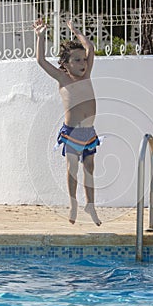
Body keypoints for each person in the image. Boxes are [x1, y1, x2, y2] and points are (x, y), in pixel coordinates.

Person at [33, 18, 101, 226]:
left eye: (83, 60)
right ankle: (73, 203)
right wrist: (41, 36)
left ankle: (90, 204)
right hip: (71, 132)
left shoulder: (86, 75)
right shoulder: (63, 79)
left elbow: (89, 47)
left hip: (89, 132)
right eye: (77, 60)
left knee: (89, 168)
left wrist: (76, 31)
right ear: (64, 64)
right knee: (72, 168)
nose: (83, 64)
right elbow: (41, 61)